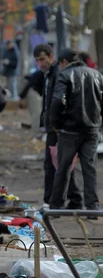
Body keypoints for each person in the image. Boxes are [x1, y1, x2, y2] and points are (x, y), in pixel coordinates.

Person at [49, 49, 103, 212]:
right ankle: (92, 206)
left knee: (64, 167)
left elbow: (58, 100)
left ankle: (57, 205)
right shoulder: (97, 75)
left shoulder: (64, 75)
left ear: (64, 61)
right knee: (89, 167)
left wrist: (56, 123)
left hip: (70, 129)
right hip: (92, 128)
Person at [34, 44, 83, 209]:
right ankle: (65, 199)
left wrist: (55, 123)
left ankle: (61, 199)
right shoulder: (48, 75)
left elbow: (58, 101)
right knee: (58, 163)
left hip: (57, 127)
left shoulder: (57, 74)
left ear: (51, 57)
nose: (40, 63)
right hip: (53, 126)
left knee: (57, 164)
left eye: (42, 59)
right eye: (37, 60)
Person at [19, 69, 45, 140]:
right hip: (34, 92)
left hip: (35, 92)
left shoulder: (42, 72)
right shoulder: (42, 73)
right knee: (36, 114)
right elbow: (29, 84)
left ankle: (37, 132)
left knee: (36, 114)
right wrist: (22, 96)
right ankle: (37, 134)